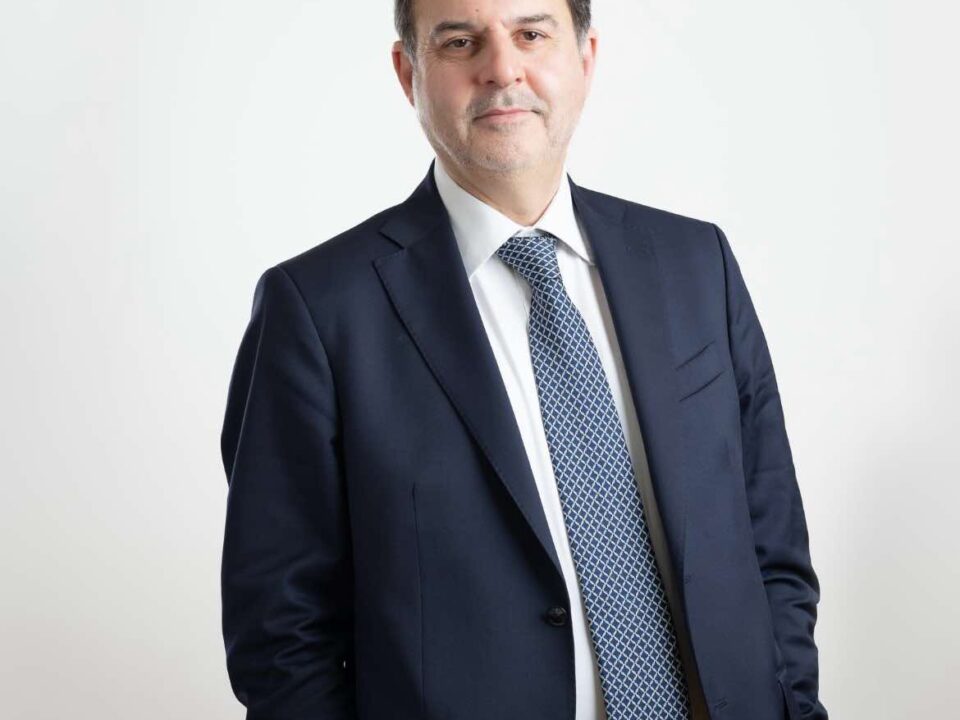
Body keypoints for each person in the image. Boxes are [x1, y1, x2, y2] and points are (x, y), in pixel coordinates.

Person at [218, 1, 827, 718]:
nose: (502, 69)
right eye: (459, 42)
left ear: (585, 58)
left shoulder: (696, 264)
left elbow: (771, 547)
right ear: (408, 73)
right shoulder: (317, 311)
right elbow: (281, 633)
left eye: (532, 35)